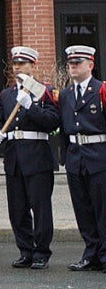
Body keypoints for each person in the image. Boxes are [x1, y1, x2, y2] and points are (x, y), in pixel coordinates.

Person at [0, 46, 59, 269]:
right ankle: (26, 250)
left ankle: (41, 252)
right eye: (15, 63)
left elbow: (52, 122)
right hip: (14, 158)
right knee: (17, 209)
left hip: (37, 157)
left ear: (32, 65)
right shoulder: (8, 94)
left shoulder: (44, 92)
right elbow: (1, 120)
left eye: (22, 63)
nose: (17, 67)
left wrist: (32, 108)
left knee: (40, 208)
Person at [58, 45, 106, 272]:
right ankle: (91, 254)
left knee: (102, 209)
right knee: (83, 210)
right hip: (76, 158)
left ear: (91, 65)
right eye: (71, 63)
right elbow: (65, 129)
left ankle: (105, 255)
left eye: (78, 63)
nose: (73, 67)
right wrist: (66, 158)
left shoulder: (101, 91)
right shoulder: (66, 94)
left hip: (99, 157)